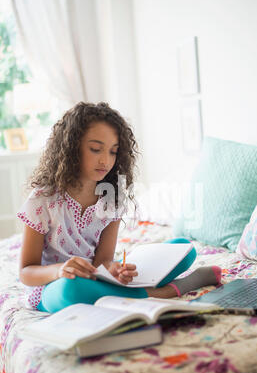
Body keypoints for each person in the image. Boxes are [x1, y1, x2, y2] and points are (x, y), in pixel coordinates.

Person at [17, 101, 221, 314]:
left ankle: (126, 290)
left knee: (182, 247)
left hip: (96, 279)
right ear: (71, 148)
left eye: (113, 152)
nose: (105, 160)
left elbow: (103, 261)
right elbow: (26, 272)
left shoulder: (111, 198)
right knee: (72, 288)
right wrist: (60, 270)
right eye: (96, 149)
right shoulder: (43, 199)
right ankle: (167, 291)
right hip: (53, 287)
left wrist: (113, 270)